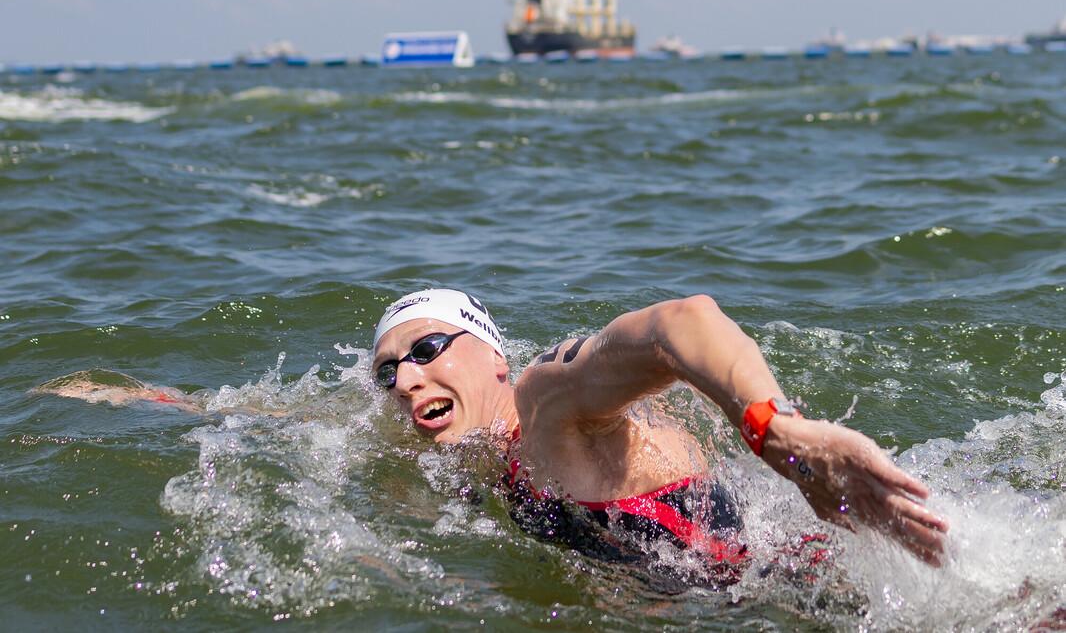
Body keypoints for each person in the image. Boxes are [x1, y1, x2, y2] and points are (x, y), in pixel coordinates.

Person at [37, 288, 949, 574]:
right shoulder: (453, 438)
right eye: (387, 371)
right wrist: (154, 400)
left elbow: (685, 323)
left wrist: (781, 435)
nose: (405, 379)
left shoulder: (546, 405)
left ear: (496, 359)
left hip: (797, 588)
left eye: (428, 350)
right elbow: (305, 416)